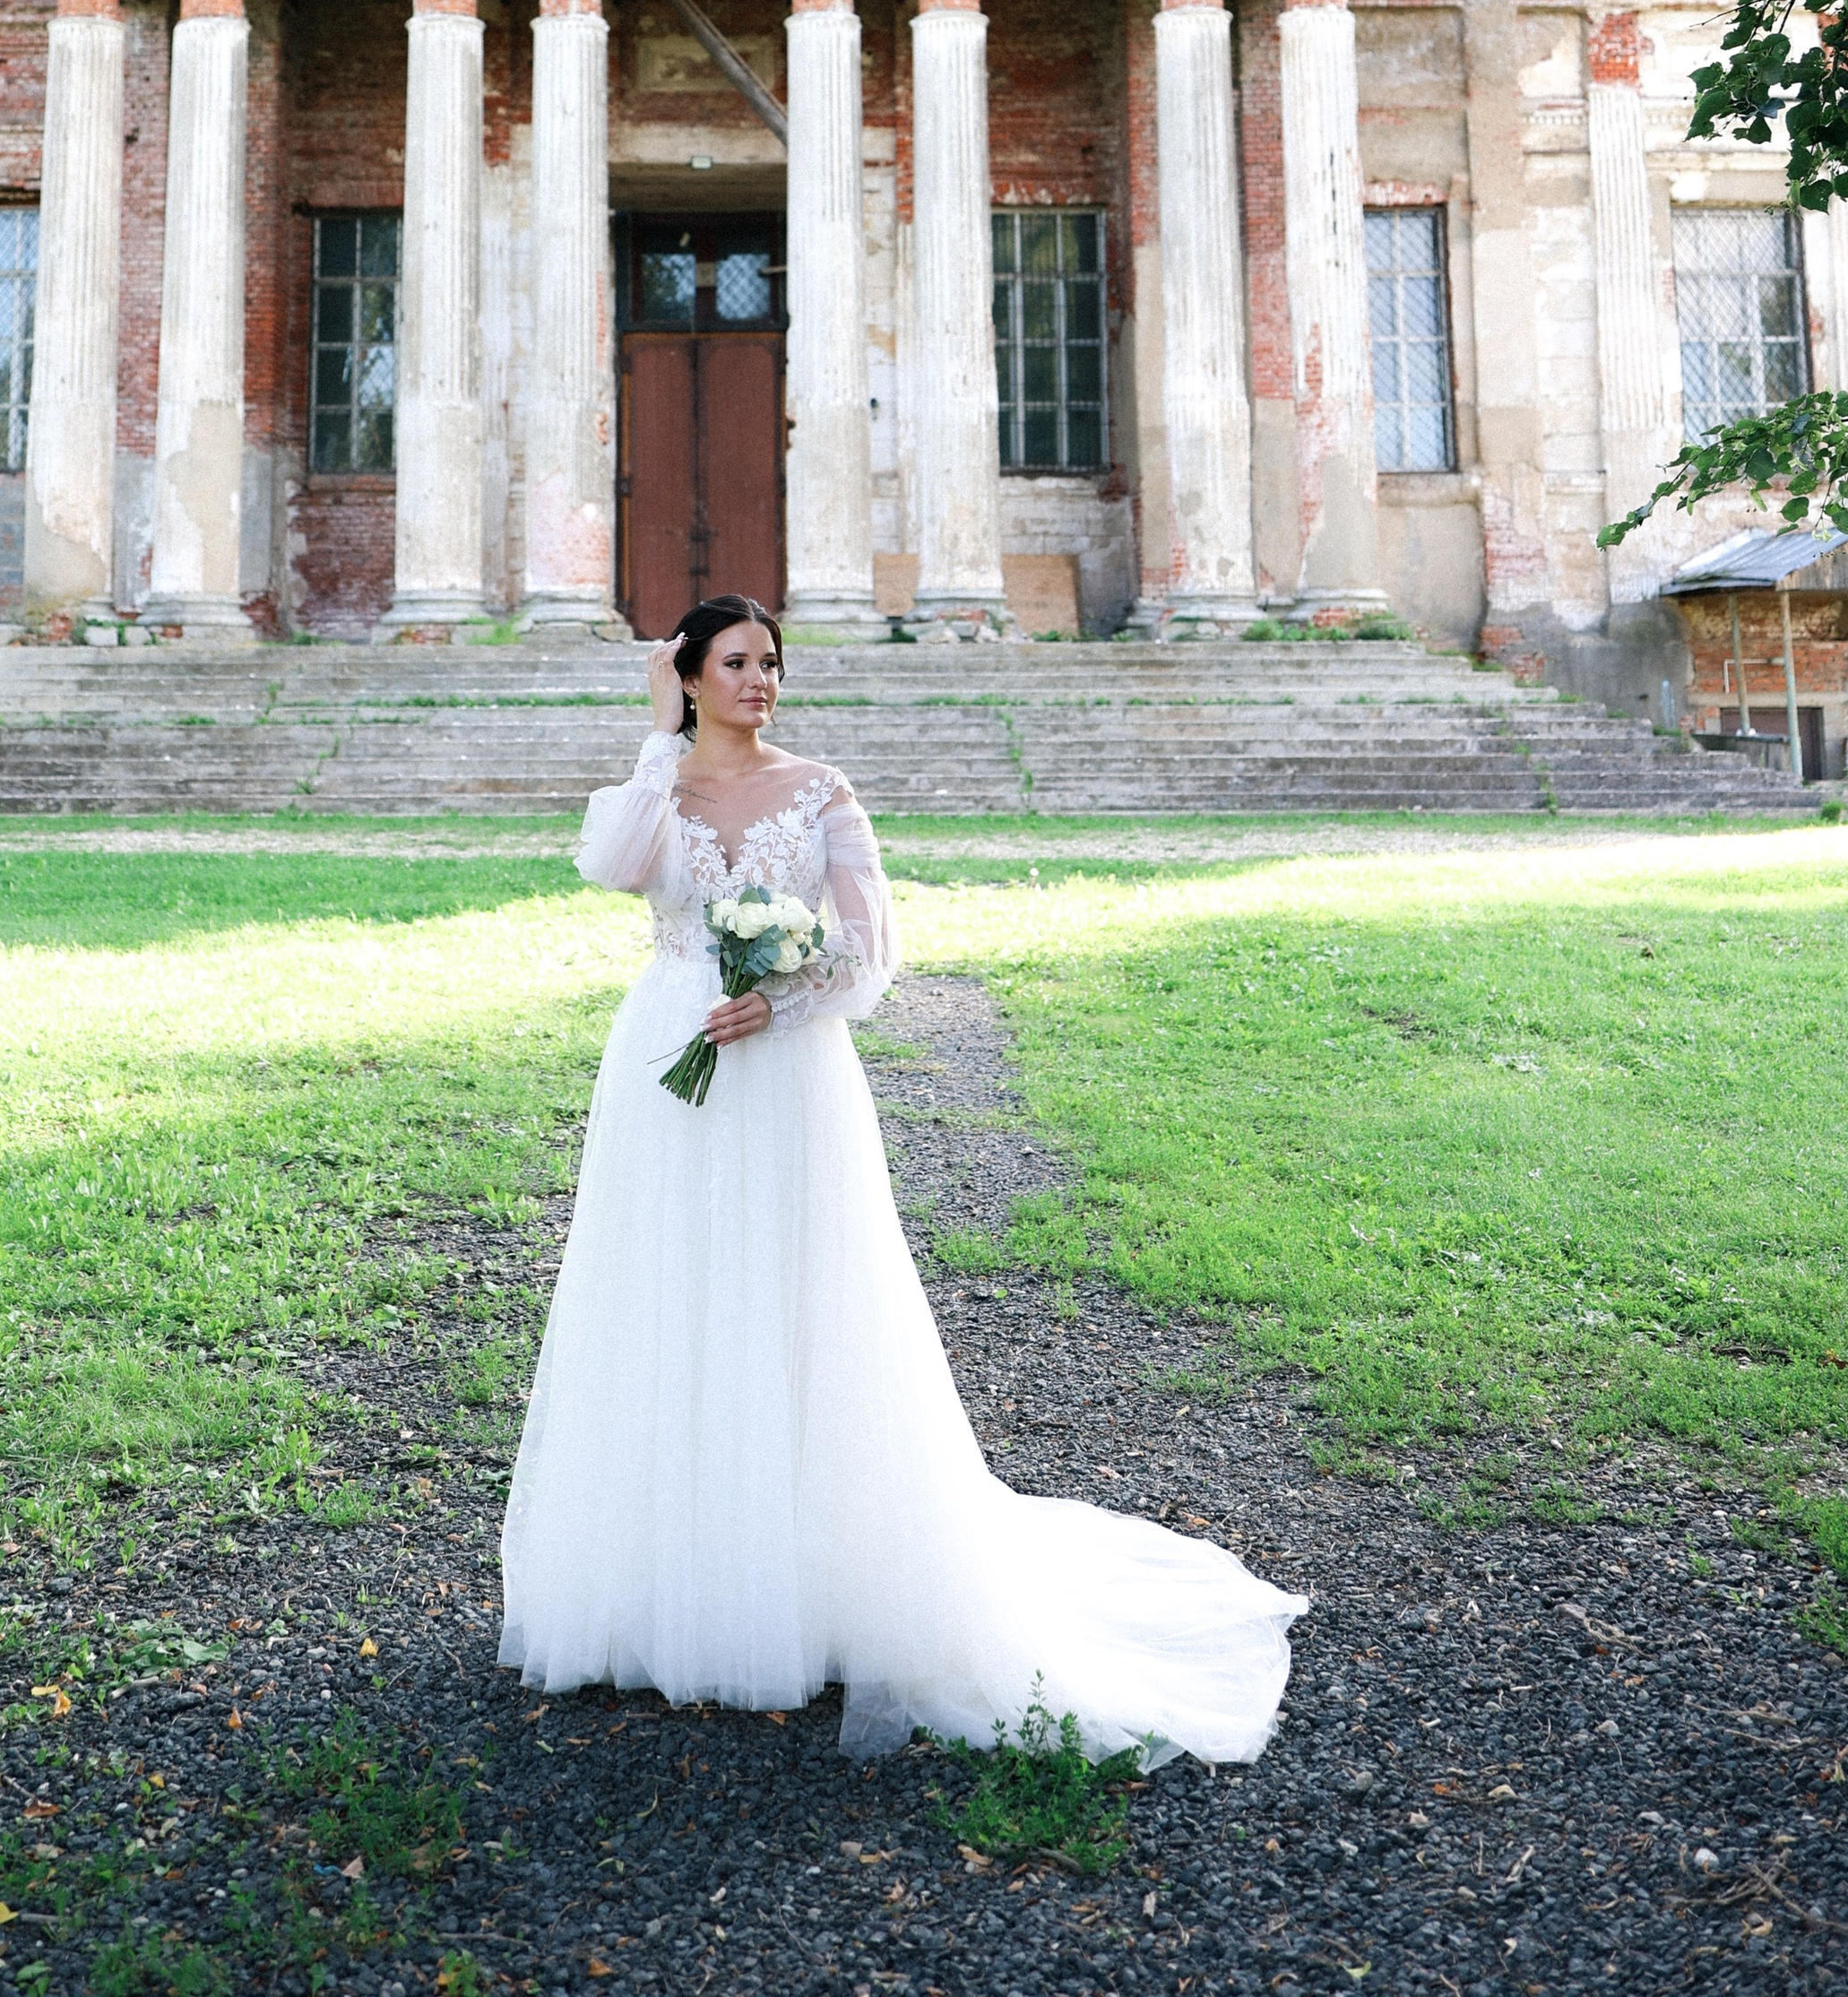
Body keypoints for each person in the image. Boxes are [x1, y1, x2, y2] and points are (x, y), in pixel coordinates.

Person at [498, 594, 1306, 1765]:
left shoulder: (820, 790)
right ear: (686, 673)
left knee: (802, 1300)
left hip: (785, 1067)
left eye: (772, 663)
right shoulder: (655, 789)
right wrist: (653, 735)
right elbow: (616, 870)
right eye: (737, 663)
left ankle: (819, 1576)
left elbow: (873, 949)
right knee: (668, 1292)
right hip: (665, 1063)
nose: (762, 681)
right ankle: (672, 1576)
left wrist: (782, 995)